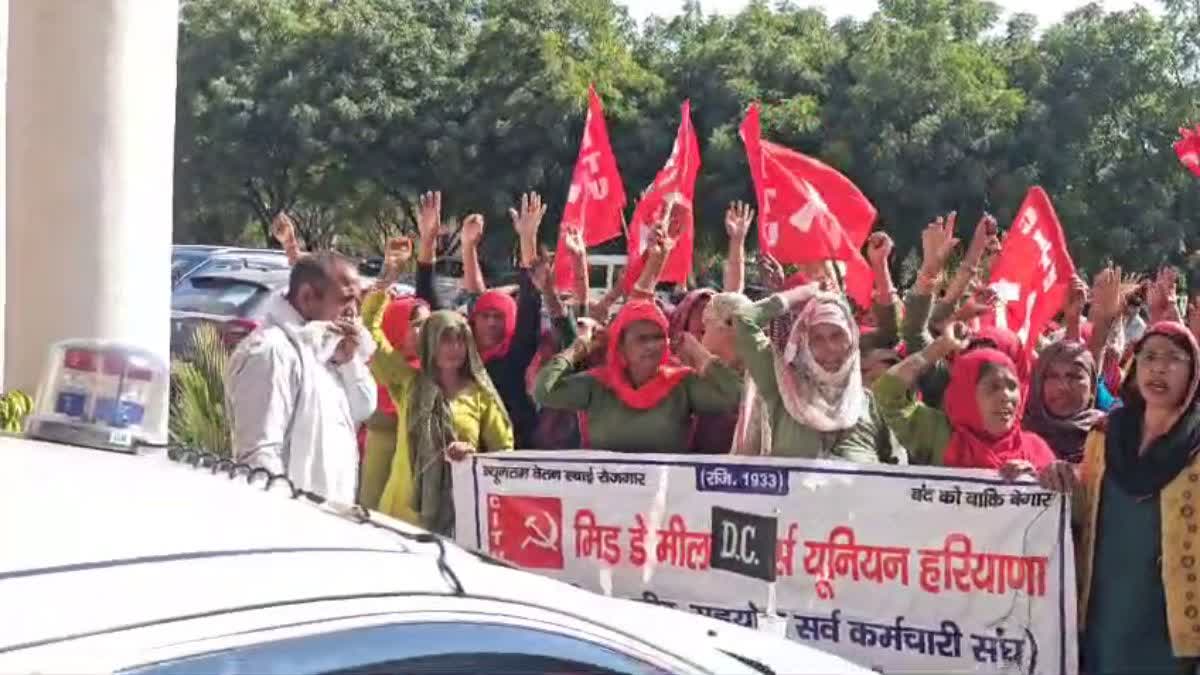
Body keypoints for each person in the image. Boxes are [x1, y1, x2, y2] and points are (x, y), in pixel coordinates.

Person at [1039, 322, 1200, 673]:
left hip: (1170, 622)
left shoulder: (1196, 445)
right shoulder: (1105, 435)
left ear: (1193, 373)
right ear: (1135, 367)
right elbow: (1084, 510)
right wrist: (1048, 479)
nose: (1159, 368)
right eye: (1150, 357)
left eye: (1174, 359)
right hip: (1104, 609)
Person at [226, 253, 376, 505]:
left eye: (358, 302)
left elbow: (364, 407)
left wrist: (349, 362)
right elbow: (259, 458)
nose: (354, 312)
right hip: (292, 526)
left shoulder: (328, 348)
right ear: (307, 297)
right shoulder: (272, 352)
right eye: (345, 300)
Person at [362, 286, 513, 531]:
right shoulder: (408, 384)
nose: (454, 349)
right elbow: (370, 331)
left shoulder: (481, 396)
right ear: (430, 343)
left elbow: (503, 453)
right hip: (401, 513)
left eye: (459, 341)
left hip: (457, 515)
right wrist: (384, 282)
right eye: (445, 340)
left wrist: (471, 456)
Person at [533, 300, 742, 453]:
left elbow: (736, 396)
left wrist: (697, 352)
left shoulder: (680, 385)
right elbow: (544, 390)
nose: (652, 346)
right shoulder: (598, 385)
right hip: (602, 501)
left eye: (658, 337)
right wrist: (580, 347)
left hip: (666, 504)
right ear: (621, 346)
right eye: (642, 339)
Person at [731, 283, 903, 462]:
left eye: (837, 336)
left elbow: (898, 472)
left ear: (852, 339)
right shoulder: (784, 388)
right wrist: (801, 293)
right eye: (817, 339)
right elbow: (743, 320)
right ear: (805, 344)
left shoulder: (873, 406)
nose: (829, 348)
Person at [873, 322, 1054, 471]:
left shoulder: (1035, 448)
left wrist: (1036, 479)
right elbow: (887, 392)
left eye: (1012, 387)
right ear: (966, 393)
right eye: (993, 387)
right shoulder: (938, 434)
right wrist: (942, 346)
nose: (1006, 396)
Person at [358, 294, 429, 512]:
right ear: (396, 326)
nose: (425, 332)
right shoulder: (380, 370)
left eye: (428, 325)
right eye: (417, 325)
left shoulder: (434, 372)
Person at [1023, 340, 1105, 463]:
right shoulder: (1015, 439)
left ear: (1092, 385)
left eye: (1075, 376)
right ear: (1038, 383)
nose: (1063, 387)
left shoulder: (1109, 436)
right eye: (1052, 376)